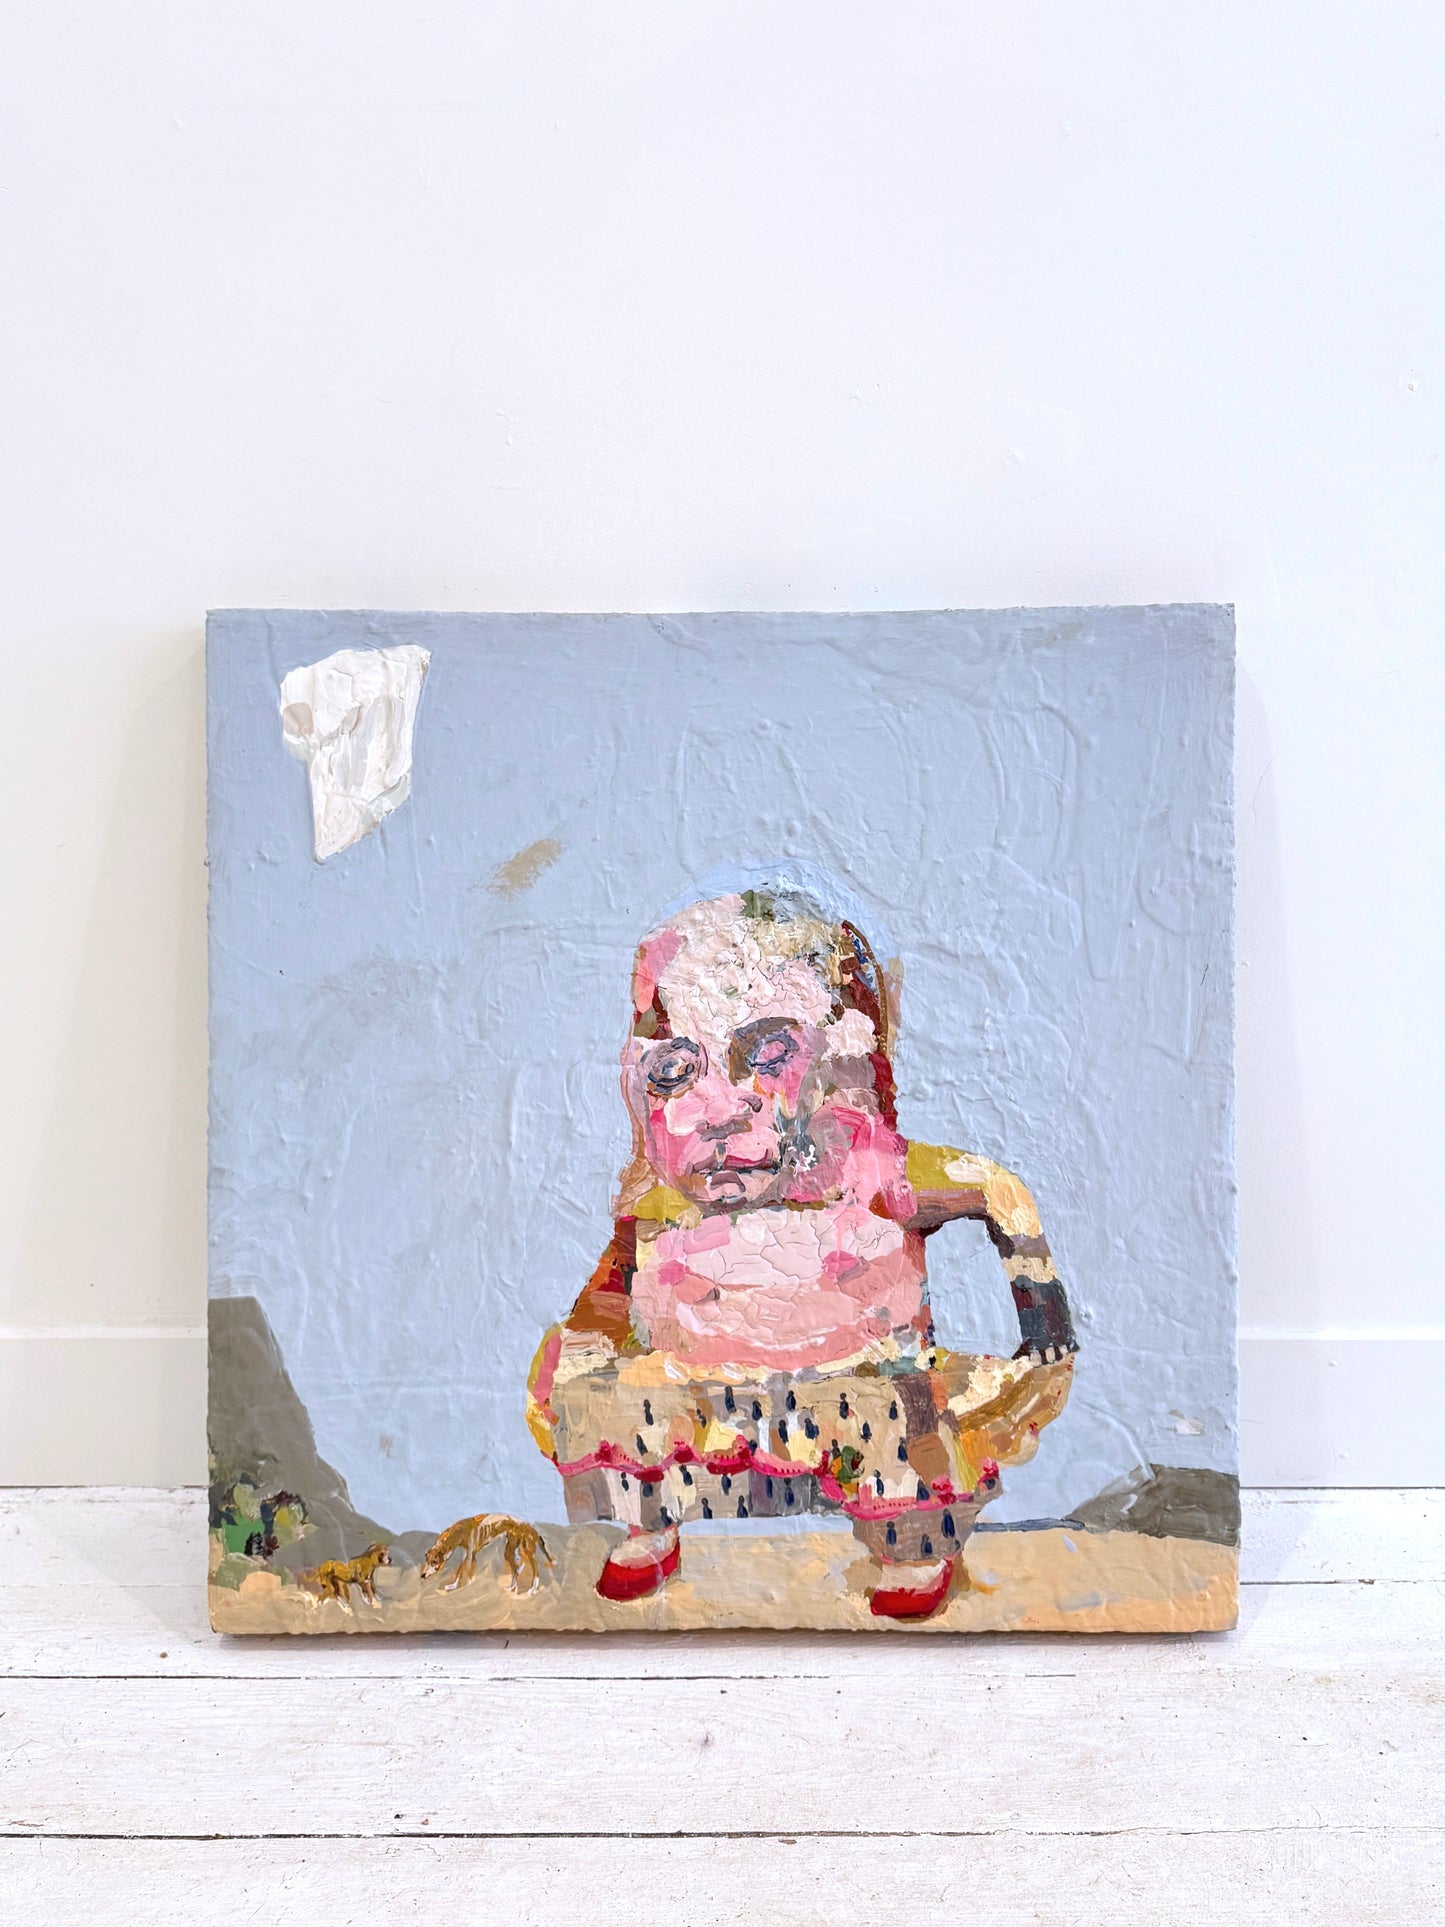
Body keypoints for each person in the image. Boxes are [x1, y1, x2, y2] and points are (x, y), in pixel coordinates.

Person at [526, 885, 1076, 1620]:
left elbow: (996, 1191)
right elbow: (615, 1280)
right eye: (676, 1071)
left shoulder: (869, 1169)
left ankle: (914, 1546)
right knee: (599, 1388)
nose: (718, 1111)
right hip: (690, 1389)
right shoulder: (662, 1203)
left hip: (860, 1388)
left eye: (765, 1054)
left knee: (905, 1419)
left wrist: (1043, 1319)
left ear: (835, 1053)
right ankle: (649, 1526)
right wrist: (588, 1337)